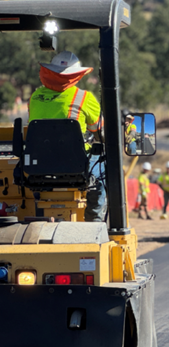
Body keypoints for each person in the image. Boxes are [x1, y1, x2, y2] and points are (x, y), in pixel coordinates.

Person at [28, 51, 106, 222]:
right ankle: (94, 218)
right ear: (76, 75)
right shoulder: (84, 98)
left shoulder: (35, 97)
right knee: (103, 169)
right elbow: (100, 131)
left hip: (40, 164)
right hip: (75, 164)